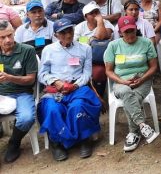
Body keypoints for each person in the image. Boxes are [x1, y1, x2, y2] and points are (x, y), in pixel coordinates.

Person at [38, 18, 100, 161]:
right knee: (53, 109)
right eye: (63, 32)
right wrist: (56, 81)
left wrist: (76, 85)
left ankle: (84, 139)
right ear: (55, 35)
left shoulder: (85, 48)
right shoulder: (48, 50)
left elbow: (87, 73)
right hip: (56, 88)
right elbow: (42, 74)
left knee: (78, 106)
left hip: (77, 87)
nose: (68, 35)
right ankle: (57, 142)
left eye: (70, 30)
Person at [104, 16, 159, 152]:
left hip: (143, 80)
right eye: (126, 32)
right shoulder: (113, 45)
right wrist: (122, 81)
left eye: (132, 31)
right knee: (127, 92)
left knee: (132, 96)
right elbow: (109, 71)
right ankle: (142, 126)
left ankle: (133, 134)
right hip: (121, 81)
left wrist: (142, 79)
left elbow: (153, 67)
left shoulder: (146, 43)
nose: (129, 34)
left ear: (136, 29)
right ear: (120, 32)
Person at [0, 20, 37, 163]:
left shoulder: (27, 50)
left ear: (14, 33)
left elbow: (31, 80)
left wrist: (10, 78)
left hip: (22, 92)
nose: (8, 40)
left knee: (27, 117)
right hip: (1, 94)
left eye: (10, 35)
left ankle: (14, 143)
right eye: (2, 37)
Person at [74, 3, 114, 98]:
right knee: (71, 65)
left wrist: (100, 21)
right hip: (82, 57)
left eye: (97, 12)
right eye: (92, 13)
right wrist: (91, 40)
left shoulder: (106, 23)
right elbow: (74, 44)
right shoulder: (80, 27)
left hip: (99, 59)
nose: (95, 15)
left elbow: (101, 36)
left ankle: (97, 96)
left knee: (99, 72)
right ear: (85, 17)